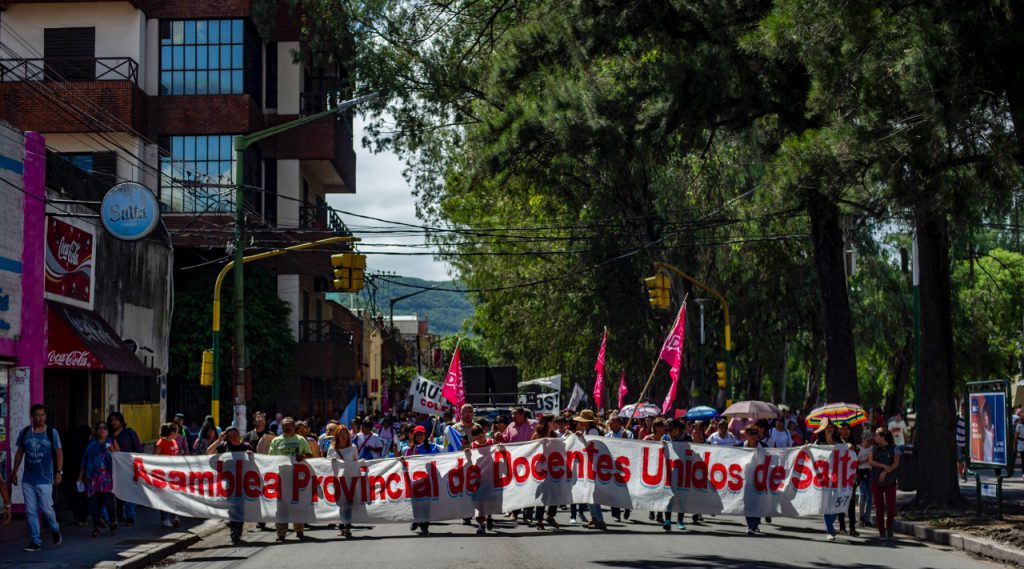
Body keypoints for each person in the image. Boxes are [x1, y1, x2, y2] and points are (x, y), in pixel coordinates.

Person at [11, 403, 63, 552]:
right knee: (31, 511)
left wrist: (59, 472)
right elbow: (19, 453)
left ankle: (55, 528)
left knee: (47, 508)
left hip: (45, 479)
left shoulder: (52, 432)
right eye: (37, 415)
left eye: (43, 415)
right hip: (28, 479)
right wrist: (14, 472)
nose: (41, 418)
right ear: (32, 417)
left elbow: (59, 452)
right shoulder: (25, 432)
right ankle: (35, 541)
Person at [268, 418, 312, 541]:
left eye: (289, 425)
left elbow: (309, 455)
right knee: (281, 507)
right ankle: (281, 533)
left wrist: (303, 456)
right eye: (284, 426)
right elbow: (270, 459)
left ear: (294, 426)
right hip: (281, 479)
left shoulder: (301, 440)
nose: (287, 427)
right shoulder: (276, 441)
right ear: (281, 427)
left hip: (298, 479)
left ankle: (299, 530)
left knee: (297, 505)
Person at [207, 426, 253, 544]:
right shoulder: (224, 446)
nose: (233, 437)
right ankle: (234, 533)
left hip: (243, 482)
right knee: (232, 508)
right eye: (230, 435)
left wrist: (251, 455)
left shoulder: (246, 446)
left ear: (239, 435)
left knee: (240, 508)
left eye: (235, 434)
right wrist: (219, 440)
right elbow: (209, 452)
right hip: (229, 483)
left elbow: (253, 463)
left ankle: (237, 531)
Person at [79, 421, 119, 537]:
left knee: (108, 501)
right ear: (95, 431)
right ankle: (96, 527)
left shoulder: (111, 442)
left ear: (107, 431)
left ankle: (113, 521)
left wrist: (111, 449)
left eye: (104, 428)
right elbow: (84, 461)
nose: (101, 430)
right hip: (93, 478)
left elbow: (119, 458)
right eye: (99, 428)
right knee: (94, 504)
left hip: (108, 477)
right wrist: (80, 477)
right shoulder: (91, 445)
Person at [573, 409, 607, 530]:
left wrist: (581, 438)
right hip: (592, 464)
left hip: (595, 464)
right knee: (589, 492)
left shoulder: (593, 431)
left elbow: (591, 447)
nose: (580, 423)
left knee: (592, 493)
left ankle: (599, 519)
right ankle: (594, 518)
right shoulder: (589, 430)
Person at [107, 412, 143, 526]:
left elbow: (138, 449)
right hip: (110, 468)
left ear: (121, 421)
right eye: (111, 420)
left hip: (127, 467)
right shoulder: (108, 435)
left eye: (115, 420)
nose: (113, 422)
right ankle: (115, 517)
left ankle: (130, 516)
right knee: (112, 493)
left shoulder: (129, 433)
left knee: (128, 492)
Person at [404, 426, 441, 535]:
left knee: (426, 503)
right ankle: (417, 520)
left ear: (425, 435)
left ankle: (424, 525)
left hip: (428, 479)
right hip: (415, 481)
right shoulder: (410, 449)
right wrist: (402, 460)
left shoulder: (433, 446)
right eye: (418, 434)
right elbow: (406, 463)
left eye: (422, 434)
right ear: (414, 436)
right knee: (415, 503)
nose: (420, 436)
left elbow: (446, 452)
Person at [869, 427, 900, 542]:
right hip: (876, 482)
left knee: (891, 507)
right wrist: (883, 466)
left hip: (890, 482)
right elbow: (871, 461)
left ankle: (889, 528)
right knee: (879, 508)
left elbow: (895, 463)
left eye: (877, 435)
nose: (875, 437)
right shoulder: (873, 448)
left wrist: (886, 471)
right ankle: (882, 531)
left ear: (883, 437)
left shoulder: (895, 448)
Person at [327, 424, 358, 538]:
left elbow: (356, 462)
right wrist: (332, 461)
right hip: (337, 480)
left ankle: (347, 527)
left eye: (345, 434)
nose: (344, 436)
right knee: (341, 503)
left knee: (348, 503)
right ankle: (341, 526)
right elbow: (327, 463)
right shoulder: (332, 449)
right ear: (336, 436)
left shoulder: (353, 447)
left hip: (349, 479)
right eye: (341, 434)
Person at [531, 416, 560, 530]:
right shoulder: (537, 435)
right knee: (542, 495)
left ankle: (550, 516)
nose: (555, 424)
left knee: (555, 493)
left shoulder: (555, 436)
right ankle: (539, 521)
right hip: (540, 469)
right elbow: (529, 450)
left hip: (552, 468)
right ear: (547, 422)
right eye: (553, 422)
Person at [815, 418, 841, 540]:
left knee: (837, 502)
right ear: (823, 430)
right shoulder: (818, 443)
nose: (830, 429)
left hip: (838, 476)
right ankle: (830, 531)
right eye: (827, 427)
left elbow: (846, 451)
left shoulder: (839, 442)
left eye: (831, 427)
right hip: (823, 477)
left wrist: (850, 447)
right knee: (826, 503)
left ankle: (830, 524)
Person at [154, 422, 182, 529]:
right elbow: (154, 457)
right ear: (171, 432)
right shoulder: (161, 442)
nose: (178, 433)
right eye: (177, 431)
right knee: (164, 497)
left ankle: (174, 516)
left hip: (173, 474)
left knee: (174, 496)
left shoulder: (174, 441)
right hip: (163, 475)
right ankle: (165, 519)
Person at [605, 416, 633, 522]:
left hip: (625, 466)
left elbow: (633, 447)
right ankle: (616, 514)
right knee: (613, 490)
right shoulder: (607, 436)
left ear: (619, 424)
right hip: (613, 465)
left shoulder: (628, 434)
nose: (610, 425)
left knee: (625, 490)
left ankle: (627, 507)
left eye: (612, 422)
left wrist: (625, 440)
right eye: (610, 423)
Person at [468, 425, 495, 534]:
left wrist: (501, 446)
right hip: (478, 479)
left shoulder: (492, 442)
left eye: (480, 436)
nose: (479, 439)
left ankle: (489, 517)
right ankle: (481, 524)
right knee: (478, 502)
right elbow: (470, 460)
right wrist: (467, 453)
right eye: (477, 438)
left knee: (488, 501)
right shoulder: (473, 445)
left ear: (484, 433)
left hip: (490, 478)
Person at [836, 423, 859, 537]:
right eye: (844, 429)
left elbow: (856, 461)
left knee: (851, 502)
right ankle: (842, 527)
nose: (846, 431)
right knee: (840, 501)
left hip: (850, 478)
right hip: (839, 478)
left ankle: (852, 528)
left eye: (848, 429)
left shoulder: (853, 444)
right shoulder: (836, 443)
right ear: (839, 431)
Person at [742, 426, 764, 536]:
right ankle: (751, 525)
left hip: (760, 480)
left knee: (757, 503)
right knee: (747, 503)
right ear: (746, 435)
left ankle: (754, 524)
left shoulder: (764, 447)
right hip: (745, 481)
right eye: (751, 434)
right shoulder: (740, 447)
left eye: (755, 433)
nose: (754, 436)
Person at [857, 431, 874, 528]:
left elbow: (870, 460)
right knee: (862, 495)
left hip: (869, 472)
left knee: (869, 496)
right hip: (861, 472)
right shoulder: (858, 448)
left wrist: (865, 460)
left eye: (870, 441)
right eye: (867, 441)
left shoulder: (871, 448)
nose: (868, 443)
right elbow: (857, 462)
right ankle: (861, 517)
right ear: (863, 439)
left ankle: (866, 518)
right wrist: (865, 460)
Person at [956, 403, 967, 482]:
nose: (962, 410)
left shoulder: (968, 418)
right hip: (958, 440)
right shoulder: (957, 417)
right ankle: (961, 474)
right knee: (959, 459)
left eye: (963, 408)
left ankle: (964, 473)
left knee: (967, 459)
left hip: (966, 441)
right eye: (962, 408)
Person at [1013, 408, 1024, 481]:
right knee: (1023, 459)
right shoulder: (1019, 425)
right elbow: (1016, 437)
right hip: (1021, 444)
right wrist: (1014, 446)